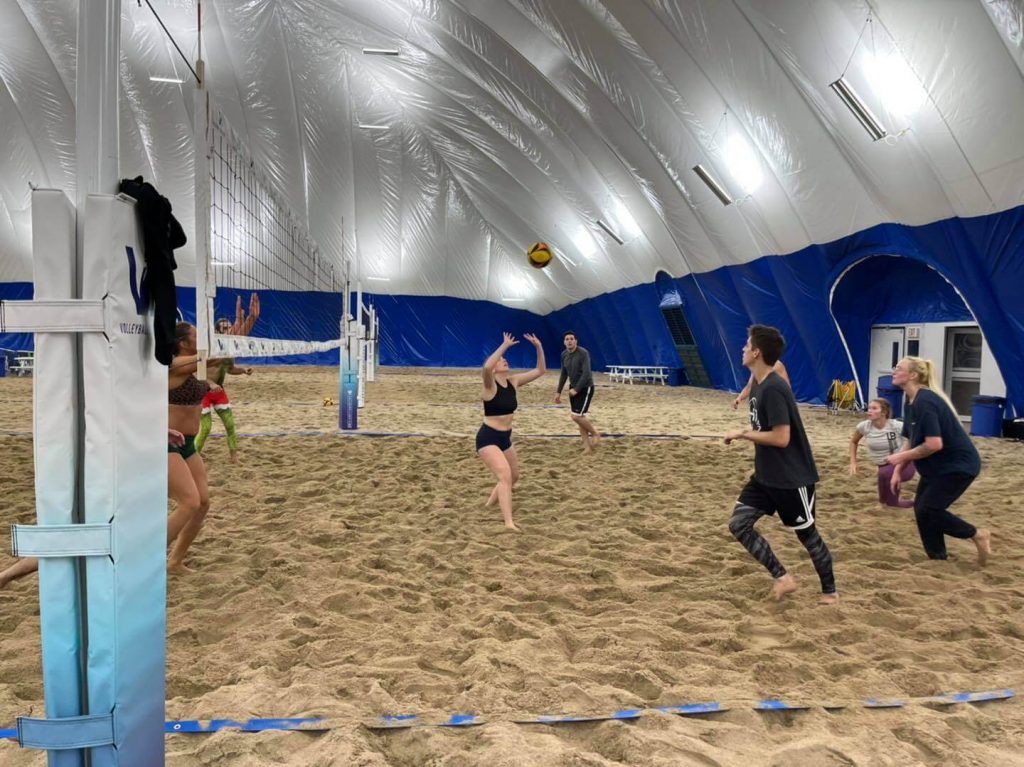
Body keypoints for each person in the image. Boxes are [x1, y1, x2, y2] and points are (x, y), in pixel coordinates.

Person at [724, 325, 837, 604]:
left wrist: (743, 433)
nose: (743, 349)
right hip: (765, 476)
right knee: (739, 525)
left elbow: (781, 437)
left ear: (756, 352)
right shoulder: (759, 381)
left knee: (807, 535)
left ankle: (830, 593)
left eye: (746, 345)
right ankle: (783, 578)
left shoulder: (774, 388)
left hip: (792, 478)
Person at [0, 430, 187, 590]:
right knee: (77, 541)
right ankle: (7, 575)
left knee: (82, 540)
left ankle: (7, 575)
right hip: (102, 468)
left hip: (111, 464)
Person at [886, 356, 992, 564]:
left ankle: (977, 534)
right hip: (936, 468)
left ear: (913, 375)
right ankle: (937, 558)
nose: (893, 371)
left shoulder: (926, 401)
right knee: (922, 510)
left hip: (958, 466)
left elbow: (933, 444)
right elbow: (912, 439)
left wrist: (900, 456)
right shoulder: (910, 401)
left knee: (929, 509)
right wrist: (898, 470)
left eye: (898, 368)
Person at [167, 322, 221, 573]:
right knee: (189, 502)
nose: (200, 340)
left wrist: (246, 326)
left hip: (186, 443)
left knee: (203, 503)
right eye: (196, 336)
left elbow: (222, 358)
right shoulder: (174, 365)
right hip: (164, 442)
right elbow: (215, 356)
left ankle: (175, 561)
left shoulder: (194, 367)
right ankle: (143, 560)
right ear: (183, 343)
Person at [478, 332, 546, 530]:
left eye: (505, 359)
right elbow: (486, 367)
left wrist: (538, 347)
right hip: (488, 437)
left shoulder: (513, 382)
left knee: (514, 476)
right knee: (505, 476)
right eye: (502, 360)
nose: (505, 361)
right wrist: (504, 345)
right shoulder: (489, 385)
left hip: (505, 437)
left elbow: (540, 370)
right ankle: (508, 523)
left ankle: (489, 504)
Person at [195, 316, 254, 462]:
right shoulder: (207, 348)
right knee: (206, 428)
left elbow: (230, 369)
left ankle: (234, 457)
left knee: (230, 425)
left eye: (230, 327)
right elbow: (196, 373)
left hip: (219, 391)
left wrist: (243, 371)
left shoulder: (229, 349)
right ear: (217, 331)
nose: (230, 330)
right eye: (226, 328)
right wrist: (210, 384)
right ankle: (195, 455)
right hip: (203, 391)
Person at [849, 398, 915, 509]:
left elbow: (915, 438)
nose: (869, 411)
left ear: (884, 412)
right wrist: (853, 462)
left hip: (904, 465)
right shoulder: (864, 426)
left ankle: (909, 503)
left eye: (874, 408)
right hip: (883, 466)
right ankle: (902, 503)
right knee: (883, 502)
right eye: (869, 408)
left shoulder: (896, 426)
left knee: (884, 474)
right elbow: (853, 442)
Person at [555, 331, 599, 453]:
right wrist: (558, 392)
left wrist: (576, 389)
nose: (569, 341)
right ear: (564, 342)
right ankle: (587, 447)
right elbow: (563, 374)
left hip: (585, 388)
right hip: (573, 388)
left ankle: (595, 434)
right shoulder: (564, 355)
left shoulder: (583, 353)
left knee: (576, 416)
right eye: (567, 339)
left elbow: (587, 374)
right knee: (580, 418)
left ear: (576, 341)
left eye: (571, 339)